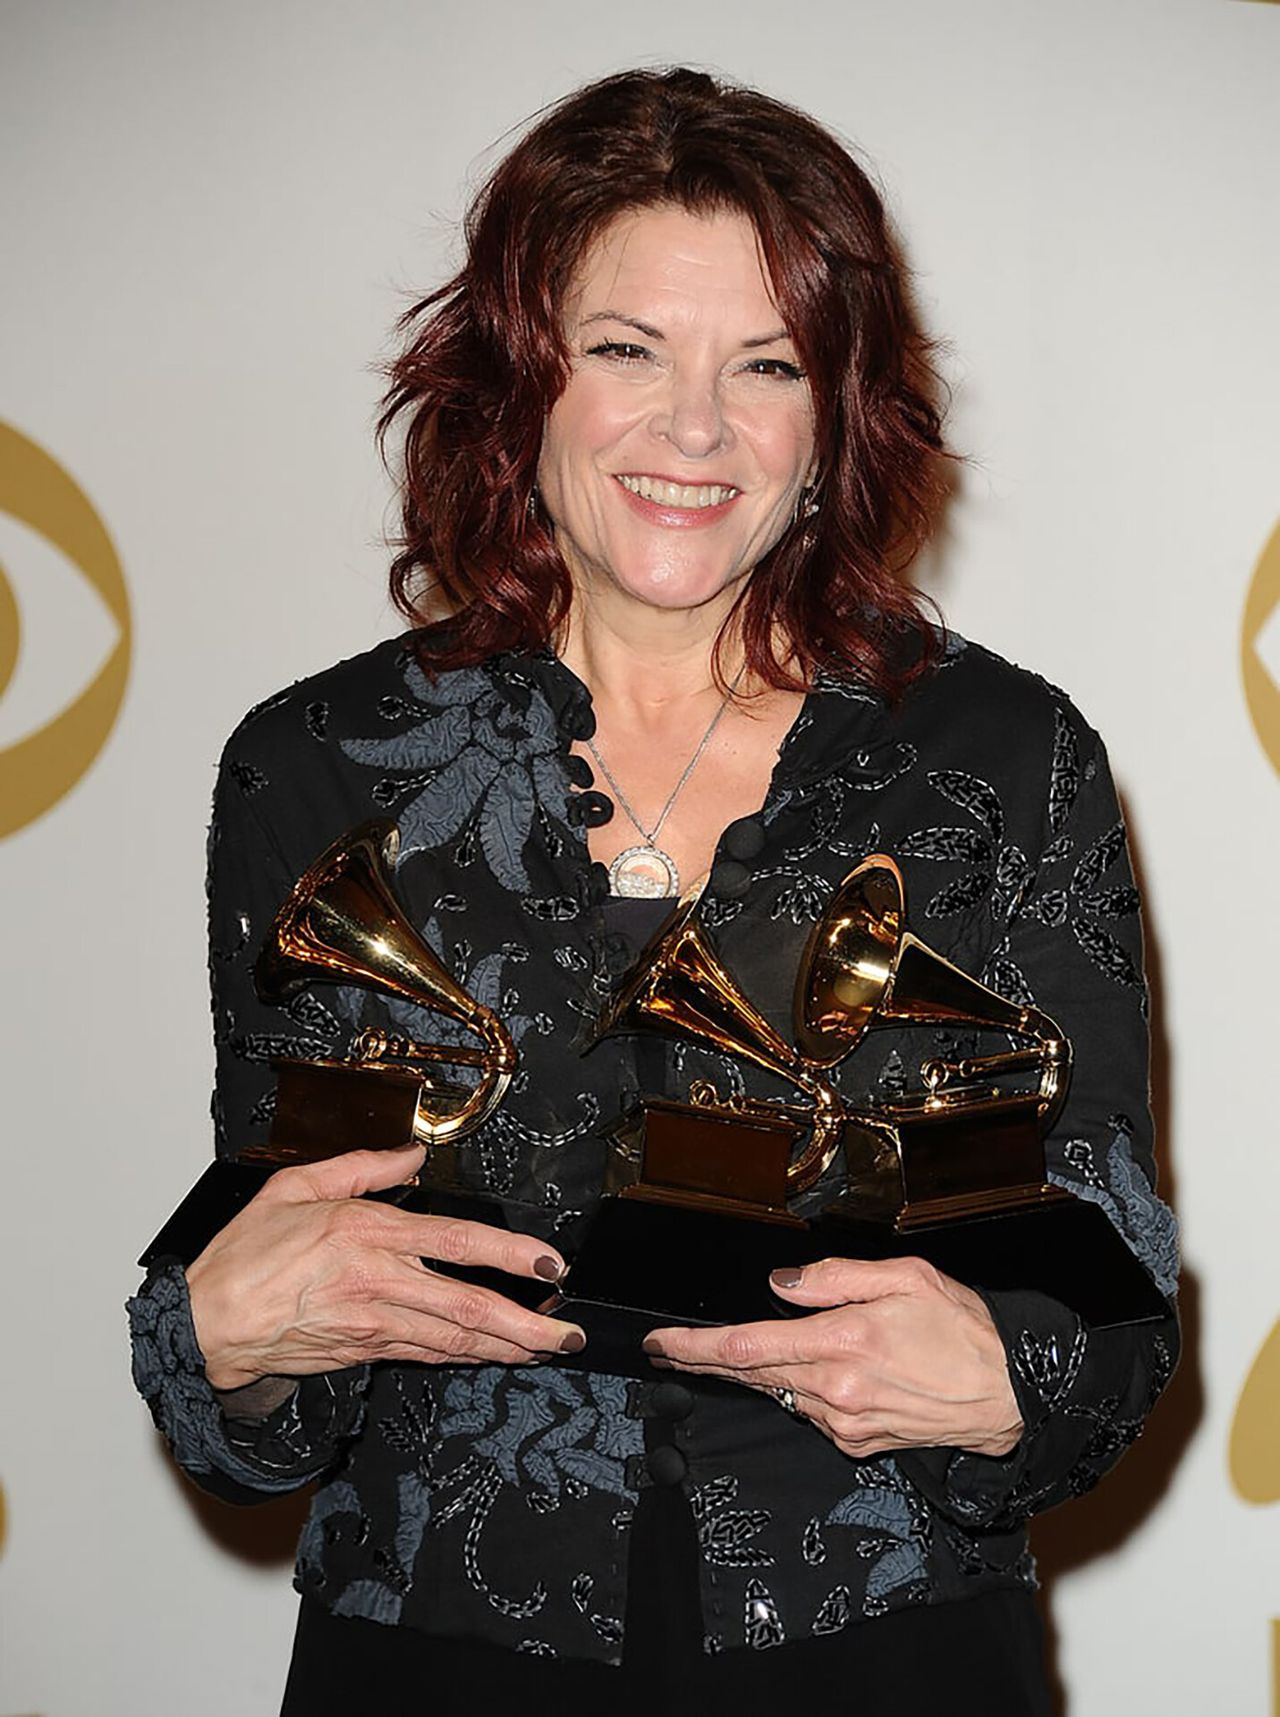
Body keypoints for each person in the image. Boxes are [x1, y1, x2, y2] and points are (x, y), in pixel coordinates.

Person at [128, 67, 1180, 1716]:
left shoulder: (1000, 755)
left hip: (889, 1658)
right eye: (626, 350)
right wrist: (222, 1349)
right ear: (517, 381)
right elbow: (256, 1355)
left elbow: (1111, 1298)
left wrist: (1007, 1382)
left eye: (765, 365)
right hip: (433, 1659)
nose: (694, 429)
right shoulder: (320, 764)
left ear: (833, 418)